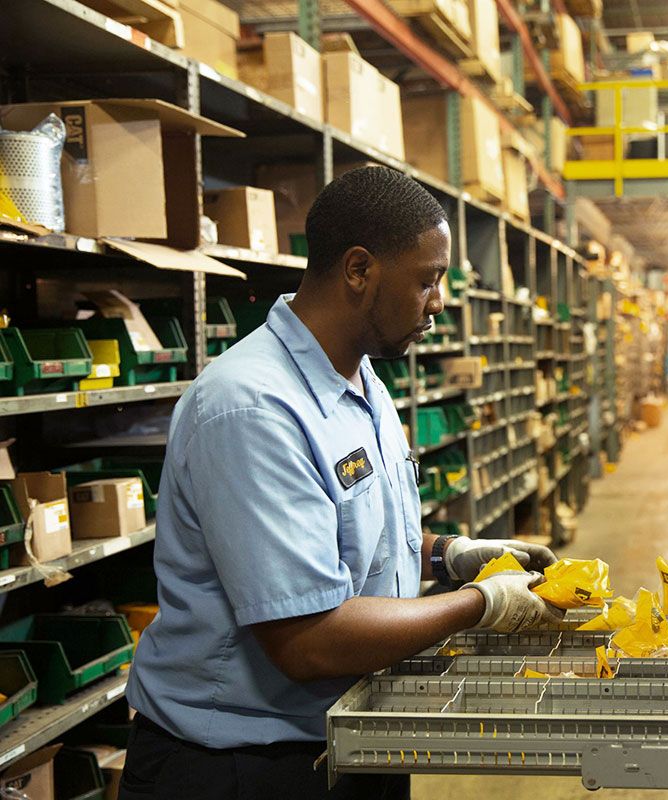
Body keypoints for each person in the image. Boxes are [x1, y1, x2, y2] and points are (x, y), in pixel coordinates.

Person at [120, 166, 564, 800]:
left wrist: (450, 557)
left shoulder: (363, 383)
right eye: (428, 280)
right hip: (241, 766)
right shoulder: (252, 408)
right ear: (359, 270)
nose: (439, 302)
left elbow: (352, 534)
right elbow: (309, 640)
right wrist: (484, 604)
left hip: (353, 733)